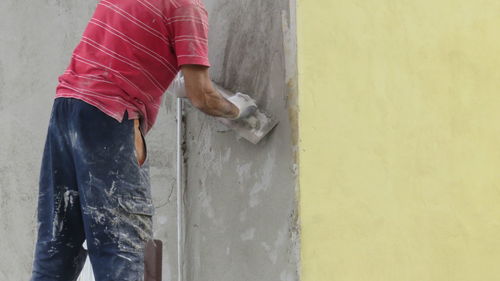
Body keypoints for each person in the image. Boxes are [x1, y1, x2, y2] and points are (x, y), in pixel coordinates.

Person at [30, 0, 256, 280]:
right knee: (121, 246)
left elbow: (133, 51)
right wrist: (239, 111)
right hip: (109, 115)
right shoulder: (187, 7)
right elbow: (201, 95)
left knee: (58, 240)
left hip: (67, 107)